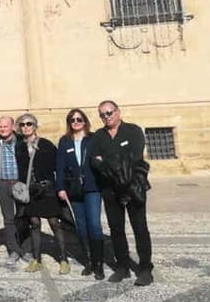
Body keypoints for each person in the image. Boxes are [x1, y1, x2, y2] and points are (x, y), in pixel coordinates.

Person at [90, 100, 153, 286]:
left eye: (109, 112)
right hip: (110, 190)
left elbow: (134, 158)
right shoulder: (98, 136)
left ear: (118, 112)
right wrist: (115, 163)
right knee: (116, 230)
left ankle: (145, 268)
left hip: (133, 187)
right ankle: (123, 266)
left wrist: (107, 162)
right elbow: (94, 161)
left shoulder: (133, 131)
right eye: (102, 114)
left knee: (140, 228)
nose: (106, 117)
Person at [14, 113, 69, 274]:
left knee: (54, 222)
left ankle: (63, 259)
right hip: (31, 191)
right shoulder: (19, 147)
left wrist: (60, 186)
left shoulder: (46, 144)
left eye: (29, 124)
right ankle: (36, 259)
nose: (26, 127)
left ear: (35, 126)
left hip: (47, 189)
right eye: (22, 124)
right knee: (34, 223)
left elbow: (58, 166)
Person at [56, 108, 105, 280]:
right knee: (81, 226)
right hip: (74, 189)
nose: (76, 122)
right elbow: (60, 166)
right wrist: (60, 187)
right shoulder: (65, 141)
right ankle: (89, 261)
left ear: (85, 121)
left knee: (94, 225)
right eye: (72, 120)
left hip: (92, 187)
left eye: (79, 119)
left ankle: (99, 264)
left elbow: (101, 159)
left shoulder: (93, 138)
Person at [0, 116, 25, 265]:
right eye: (0, 126)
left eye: (5, 126)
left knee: (23, 217)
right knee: (8, 219)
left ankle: (26, 249)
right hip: (3, 184)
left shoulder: (21, 141)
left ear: (12, 126)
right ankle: (13, 250)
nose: (2, 129)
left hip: (19, 184)